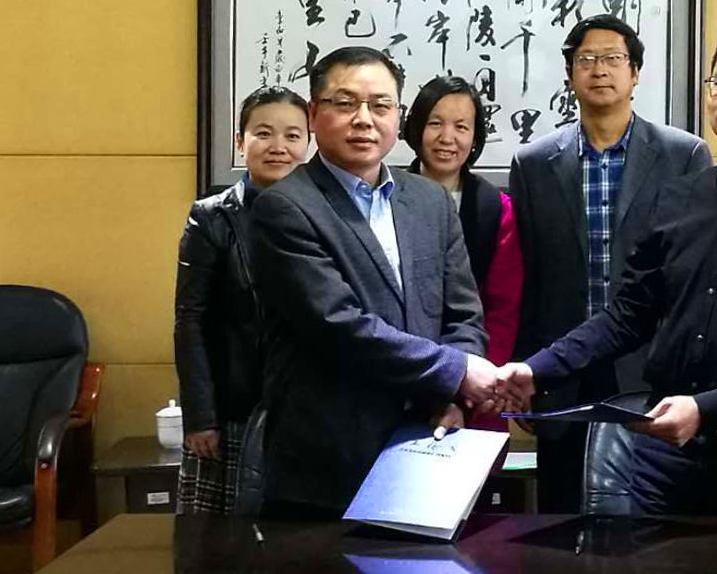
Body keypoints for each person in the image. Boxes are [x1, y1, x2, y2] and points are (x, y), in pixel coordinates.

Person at [499, 21, 717, 516]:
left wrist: (706, 409)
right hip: (662, 458)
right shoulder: (678, 199)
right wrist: (535, 370)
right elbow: (628, 314)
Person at [249, 46, 499, 518]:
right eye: (345, 103)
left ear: (398, 116)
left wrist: (452, 396)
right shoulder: (284, 207)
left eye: (381, 105)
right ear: (313, 114)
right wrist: (456, 370)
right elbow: (337, 326)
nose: (364, 119)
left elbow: (464, 313)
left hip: (426, 448)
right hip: (328, 464)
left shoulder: (430, 202)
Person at [508, 13, 711, 512]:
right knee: (557, 521)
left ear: (635, 73)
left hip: (650, 373)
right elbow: (529, 282)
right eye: (587, 59)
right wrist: (532, 370)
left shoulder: (684, 156)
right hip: (564, 374)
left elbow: (695, 277)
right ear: (569, 74)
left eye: (614, 58)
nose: (600, 69)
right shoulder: (532, 164)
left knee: (650, 527)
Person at [173, 85, 309, 515]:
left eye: (292, 135)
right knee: (221, 541)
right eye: (263, 133)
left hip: (308, 411)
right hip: (236, 409)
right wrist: (201, 416)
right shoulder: (211, 217)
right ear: (240, 141)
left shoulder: (326, 214)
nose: (278, 146)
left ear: (309, 143)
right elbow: (190, 321)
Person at [404, 75, 523, 430]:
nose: (447, 138)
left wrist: (468, 390)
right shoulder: (385, 196)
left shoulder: (496, 209)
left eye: (461, 127)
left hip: (477, 386)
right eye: (435, 124)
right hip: (398, 380)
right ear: (416, 129)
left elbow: (502, 311)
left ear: (475, 138)